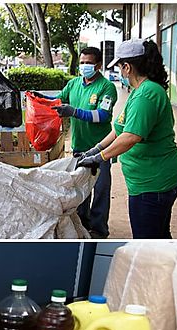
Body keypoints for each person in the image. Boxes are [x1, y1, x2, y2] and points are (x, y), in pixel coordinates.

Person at [77, 39, 177, 239]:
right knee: (159, 236)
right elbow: (120, 129)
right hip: (150, 180)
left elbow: (130, 137)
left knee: (147, 241)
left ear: (127, 67)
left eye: (119, 67)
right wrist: (95, 149)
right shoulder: (140, 91)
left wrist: (99, 158)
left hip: (153, 184)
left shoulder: (147, 94)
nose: (119, 71)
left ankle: (155, 270)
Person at [31, 47, 118, 238]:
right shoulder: (74, 84)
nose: (85, 66)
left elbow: (103, 116)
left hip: (101, 148)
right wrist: (40, 98)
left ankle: (99, 229)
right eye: (82, 62)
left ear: (98, 65)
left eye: (89, 63)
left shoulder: (106, 87)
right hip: (79, 147)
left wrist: (75, 112)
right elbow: (58, 101)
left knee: (101, 189)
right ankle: (83, 225)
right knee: (80, 189)